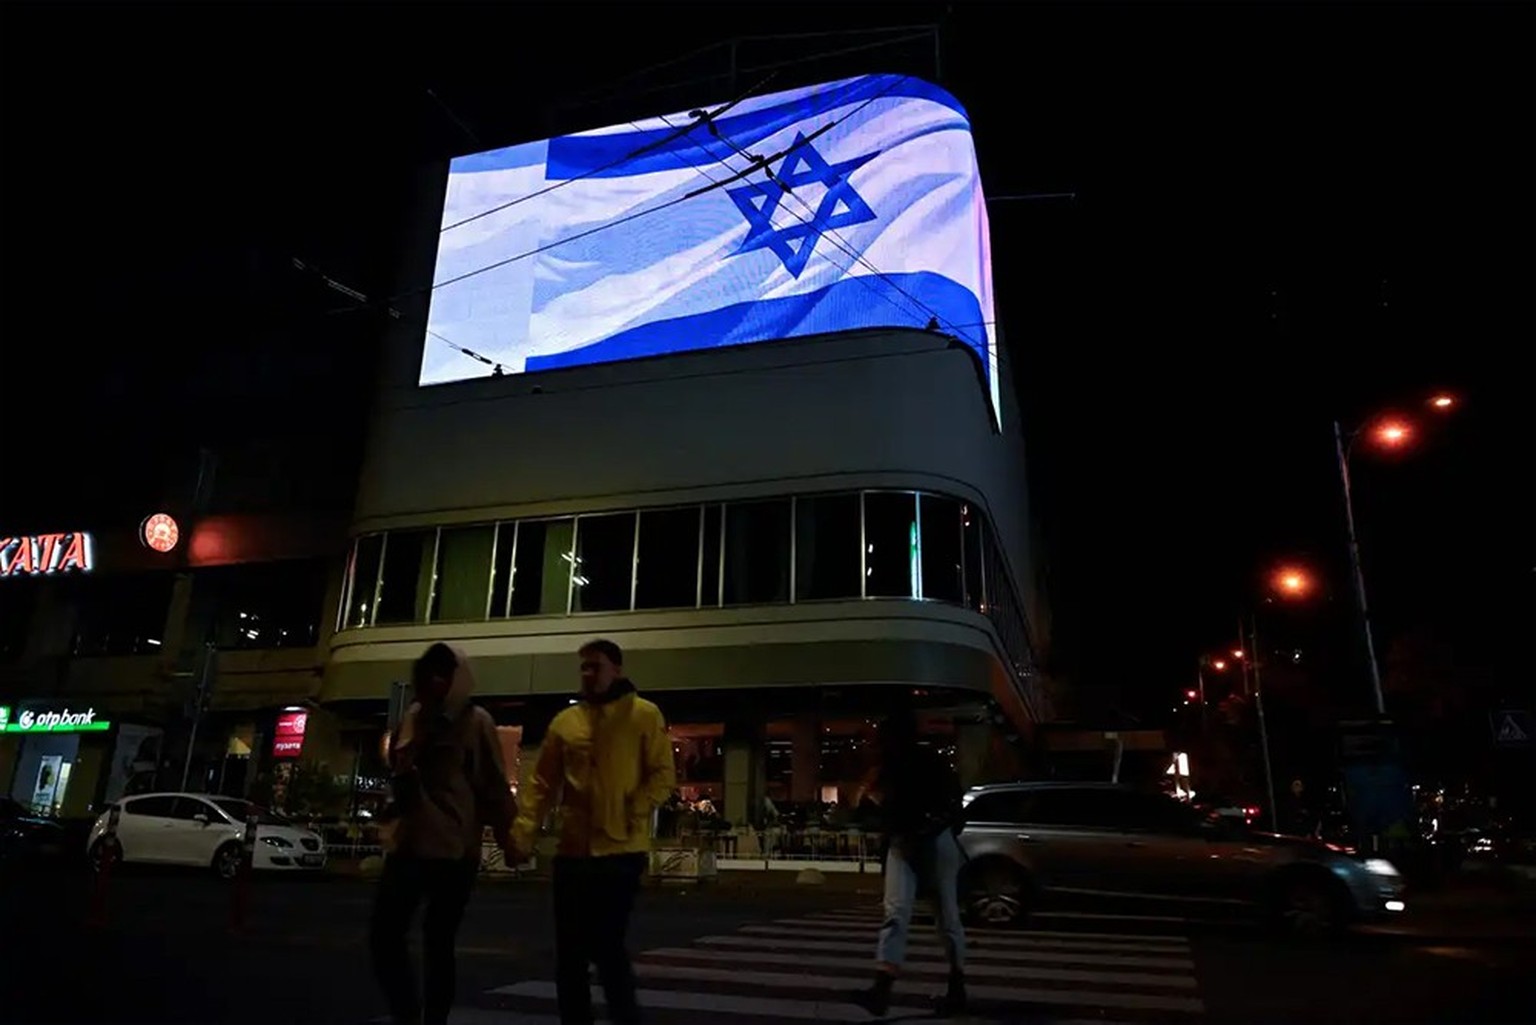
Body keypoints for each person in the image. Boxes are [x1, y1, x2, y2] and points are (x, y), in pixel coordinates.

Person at [508, 638, 675, 1025]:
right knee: (569, 957)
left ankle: (626, 1017)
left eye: (594, 666)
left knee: (607, 946)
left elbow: (663, 774)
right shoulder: (566, 723)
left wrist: (634, 808)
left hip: (622, 851)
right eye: (583, 667)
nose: (587, 674)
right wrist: (523, 831)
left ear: (616, 669)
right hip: (574, 851)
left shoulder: (643, 716)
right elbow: (541, 785)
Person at [370, 642, 517, 1025]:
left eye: (444, 673)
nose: (436, 680)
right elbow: (399, 775)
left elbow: (494, 787)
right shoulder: (414, 716)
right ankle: (407, 1015)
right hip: (409, 845)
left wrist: (510, 837)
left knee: (438, 943)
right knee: (384, 937)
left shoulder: (475, 721)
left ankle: (433, 1019)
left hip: (454, 852)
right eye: (429, 672)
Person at [852, 707, 968, 1017]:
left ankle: (885, 988)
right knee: (942, 915)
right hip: (925, 840)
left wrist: (877, 802)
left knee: (902, 913)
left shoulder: (897, 766)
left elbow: (884, 810)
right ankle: (951, 985)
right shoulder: (924, 762)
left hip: (917, 841)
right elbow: (956, 806)